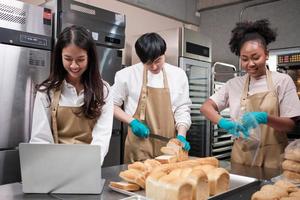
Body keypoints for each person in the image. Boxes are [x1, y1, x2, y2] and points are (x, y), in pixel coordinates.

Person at [200, 19, 300, 168]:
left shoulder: (282, 81)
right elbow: (206, 107)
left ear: (266, 54)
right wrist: (224, 122)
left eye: (255, 57)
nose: (250, 64)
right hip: (242, 160)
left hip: (274, 161)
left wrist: (264, 118)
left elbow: (291, 126)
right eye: (244, 59)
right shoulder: (234, 84)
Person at [30, 25, 113, 165]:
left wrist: (88, 166)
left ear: (90, 58)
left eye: (80, 59)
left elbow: (101, 137)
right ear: (59, 57)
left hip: (88, 165)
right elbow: (41, 138)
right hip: (55, 165)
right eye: (68, 59)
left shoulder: (103, 90)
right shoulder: (46, 91)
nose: (74, 65)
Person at [112, 32, 192, 163]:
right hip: (139, 147)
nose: (154, 67)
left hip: (169, 148)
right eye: (148, 63)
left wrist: (181, 135)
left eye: (158, 61)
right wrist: (131, 122)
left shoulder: (178, 75)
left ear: (164, 53)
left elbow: (182, 108)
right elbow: (111, 105)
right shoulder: (126, 75)